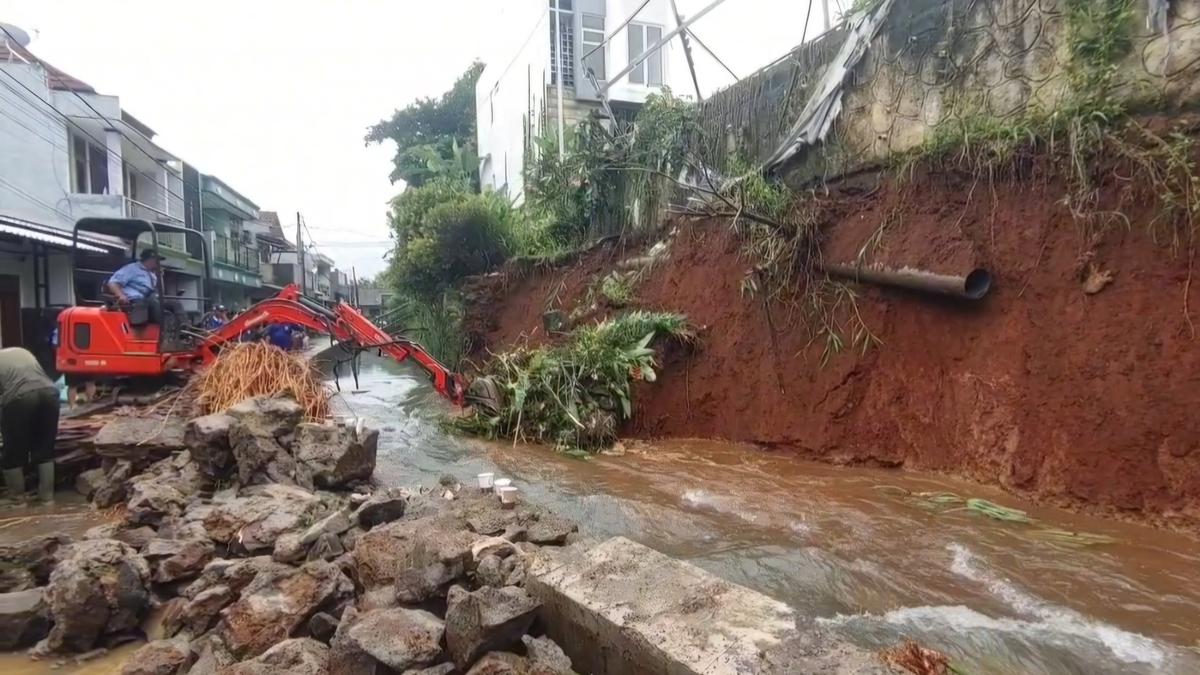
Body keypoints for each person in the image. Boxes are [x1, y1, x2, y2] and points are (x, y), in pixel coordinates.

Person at [0, 347, 58, 503]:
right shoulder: (20, 351)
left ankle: (17, 499)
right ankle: (47, 497)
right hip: (50, 393)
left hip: (20, 397)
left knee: (13, 449)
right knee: (45, 448)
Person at [107, 249, 167, 324]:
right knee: (154, 304)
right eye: (157, 260)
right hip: (134, 300)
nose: (159, 263)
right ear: (150, 259)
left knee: (174, 304)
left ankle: (183, 329)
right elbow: (112, 282)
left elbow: (160, 293)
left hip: (150, 300)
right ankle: (163, 327)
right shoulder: (132, 268)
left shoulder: (152, 275)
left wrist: (160, 276)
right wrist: (121, 295)